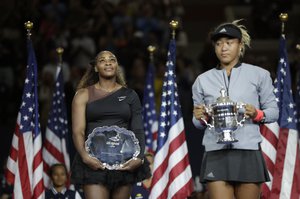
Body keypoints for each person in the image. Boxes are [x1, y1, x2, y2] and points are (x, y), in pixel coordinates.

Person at [192, 20, 279, 199]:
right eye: (218, 43)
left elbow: (274, 112)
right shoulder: (202, 80)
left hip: (247, 151)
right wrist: (200, 117)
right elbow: (198, 123)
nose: (223, 47)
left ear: (240, 45)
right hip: (215, 151)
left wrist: (257, 114)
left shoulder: (260, 75)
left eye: (229, 42)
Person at [71, 50, 151, 199]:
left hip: (124, 162)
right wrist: (85, 157)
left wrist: (139, 157)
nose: (108, 62)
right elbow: (78, 131)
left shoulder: (130, 95)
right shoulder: (83, 94)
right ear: (96, 68)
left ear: (116, 65)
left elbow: (137, 129)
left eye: (112, 60)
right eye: (102, 60)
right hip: (93, 162)